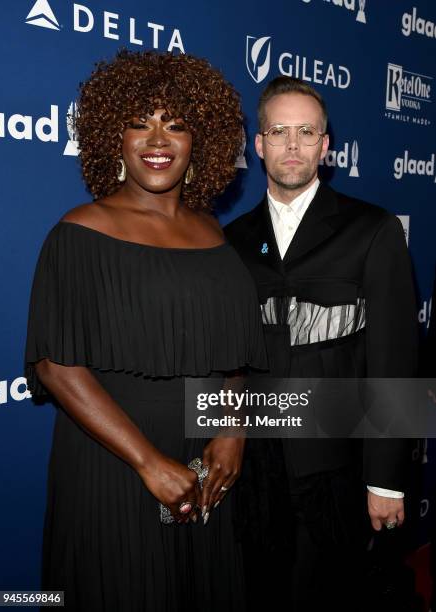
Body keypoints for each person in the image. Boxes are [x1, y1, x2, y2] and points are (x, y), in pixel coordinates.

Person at [24, 49, 268, 612]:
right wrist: (147, 463)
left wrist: (233, 432)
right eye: (141, 122)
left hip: (203, 462)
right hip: (114, 465)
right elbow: (57, 366)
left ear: (199, 141)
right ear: (114, 136)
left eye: (176, 125)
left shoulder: (214, 235)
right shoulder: (82, 231)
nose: (158, 139)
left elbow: (231, 355)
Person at [224, 76, 418, 611]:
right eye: (278, 131)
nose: (292, 145)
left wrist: (387, 480)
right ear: (258, 144)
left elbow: (396, 359)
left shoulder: (372, 230)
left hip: (339, 467)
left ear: (326, 146)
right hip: (256, 469)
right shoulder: (231, 239)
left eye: (306, 132)